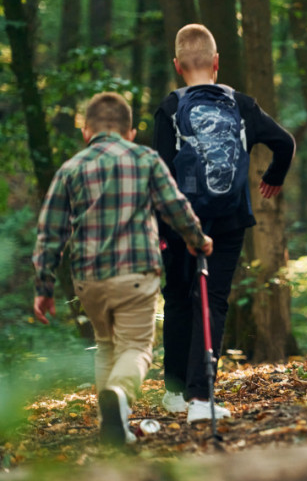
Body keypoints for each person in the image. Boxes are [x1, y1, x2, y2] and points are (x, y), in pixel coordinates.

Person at [33, 92, 213, 446]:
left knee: (106, 346)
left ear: (86, 132)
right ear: (130, 132)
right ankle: (118, 395)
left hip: (88, 280)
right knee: (136, 348)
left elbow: (50, 232)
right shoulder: (144, 158)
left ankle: (112, 426)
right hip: (135, 273)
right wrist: (197, 238)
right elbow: (174, 205)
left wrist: (44, 286)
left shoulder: (71, 168)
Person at [154, 24, 295, 422]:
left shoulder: (169, 107)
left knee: (179, 298)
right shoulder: (242, 105)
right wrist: (273, 178)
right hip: (229, 218)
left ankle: (176, 393)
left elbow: (160, 172)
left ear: (178, 66)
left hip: (178, 220)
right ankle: (202, 400)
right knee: (212, 300)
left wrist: (162, 225)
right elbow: (284, 142)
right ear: (217, 63)